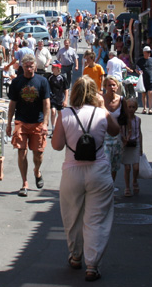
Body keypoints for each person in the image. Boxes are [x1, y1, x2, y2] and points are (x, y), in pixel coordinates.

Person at [51, 75, 120, 282]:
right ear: (94, 93)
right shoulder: (101, 113)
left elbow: (56, 146)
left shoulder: (65, 114)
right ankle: (92, 264)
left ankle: (75, 255)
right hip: (98, 170)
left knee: (72, 216)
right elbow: (115, 132)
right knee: (96, 219)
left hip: (72, 170)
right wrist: (104, 110)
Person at [7, 54, 51, 197]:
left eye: (31, 66)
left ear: (35, 66)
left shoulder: (42, 81)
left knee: (38, 153)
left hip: (37, 122)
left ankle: (37, 171)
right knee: (21, 151)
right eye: (26, 66)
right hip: (21, 121)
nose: (29, 68)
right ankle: (24, 183)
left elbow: (46, 103)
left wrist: (45, 123)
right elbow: (12, 103)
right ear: (22, 66)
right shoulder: (17, 82)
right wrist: (9, 123)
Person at [103, 75, 125, 181]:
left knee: (115, 164)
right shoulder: (100, 100)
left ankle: (111, 185)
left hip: (117, 137)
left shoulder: (121, 100)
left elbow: (126, 119)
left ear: (117, 87)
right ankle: (104, 185)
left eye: (113, 85)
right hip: (103, 137)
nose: (111, 87)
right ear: (105, 87)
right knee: (105, 163)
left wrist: (127, 134)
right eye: (109, 85)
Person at [121, 98, 142, 197]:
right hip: (126, 144)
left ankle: (134, 180)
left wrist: (141, 146)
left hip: (135, 143)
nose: (131, 109)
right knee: (127, 168)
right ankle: (127, 187)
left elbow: (139, 132)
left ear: (136, 108)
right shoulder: (123, 119)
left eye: (133, 107)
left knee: (136, 167)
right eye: (129, 107)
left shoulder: (138, 120)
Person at [47, 60, 69, 135]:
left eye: (54, 67)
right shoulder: (50, 77)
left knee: (60, 114)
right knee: (53, 111)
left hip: (60, 99)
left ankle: (59, 128)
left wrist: (65, 100)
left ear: (58, 68)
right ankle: (53, 128)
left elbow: (66, 90)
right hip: (53, 98)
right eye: (52, 67)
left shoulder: (62, 78)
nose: (52, 68)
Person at [136, 46, 152, 114]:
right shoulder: (140, 61)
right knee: (143, 94)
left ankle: (150, 108)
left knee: (150, 93)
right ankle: (144, 108)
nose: (148, 53)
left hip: (151, 79)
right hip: (143, 80)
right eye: (147, 52)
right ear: (144, 53)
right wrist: (138, 71)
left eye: (149, 52)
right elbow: (136, 68)